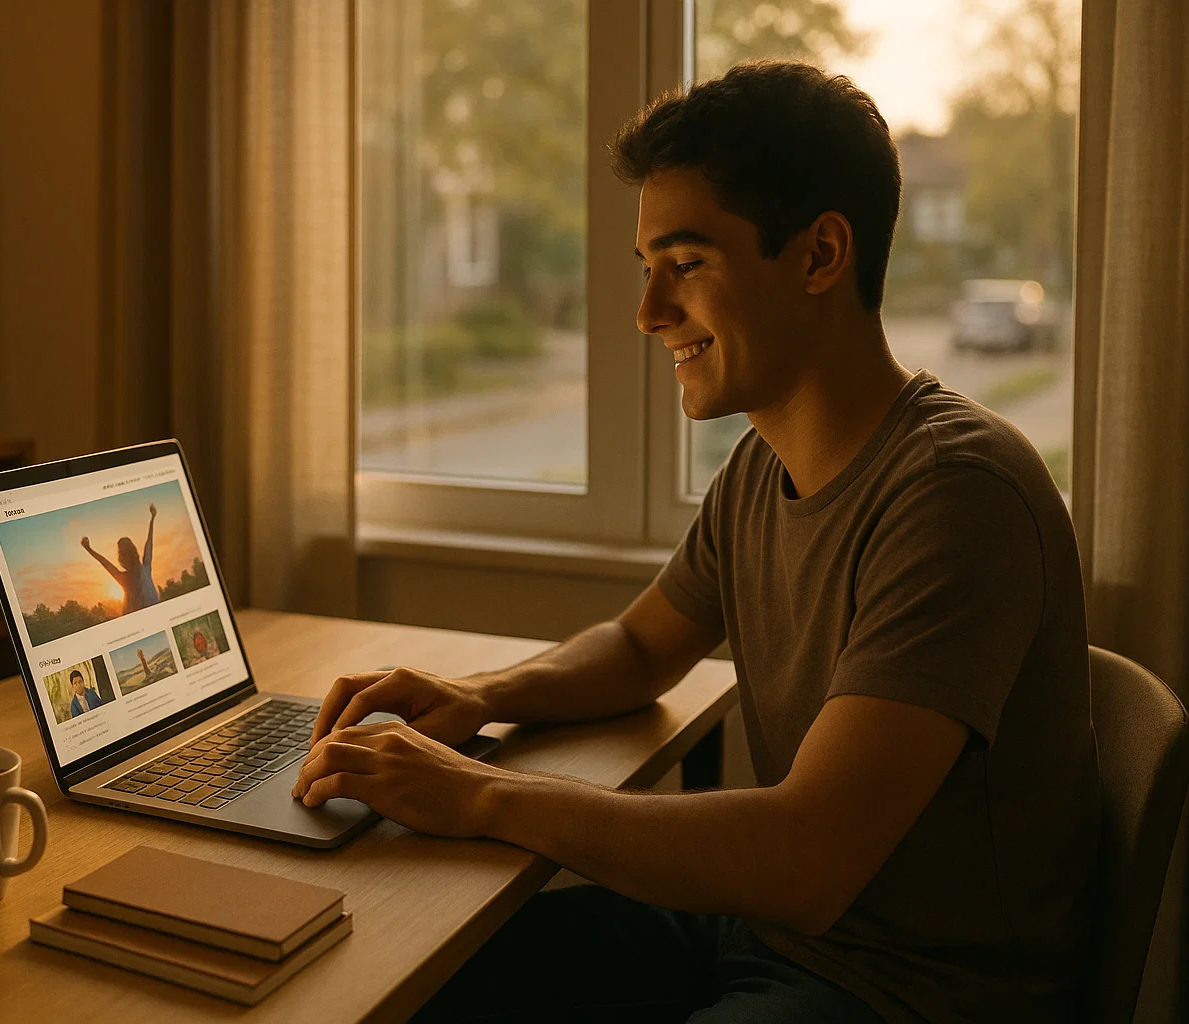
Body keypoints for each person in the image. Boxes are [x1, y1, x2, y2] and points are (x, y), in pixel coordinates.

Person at [293, 62, 1098, 1022]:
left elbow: (808, 860)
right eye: (647, 269)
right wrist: (479, 696)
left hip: (914, 992)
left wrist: (479, 796)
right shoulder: (763, 466)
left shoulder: (958, 494)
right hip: (766, 938)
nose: (648, 313)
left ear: (818, 255)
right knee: (400, 984)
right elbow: (638, 648)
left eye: (687, 264)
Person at [81, 502, 159, 614]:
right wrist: (152, 518)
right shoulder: (142, 570)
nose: (119, 557)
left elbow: (149, 544)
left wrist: (88, 548)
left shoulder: (132, 575)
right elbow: (105, 563)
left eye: (121, 553)